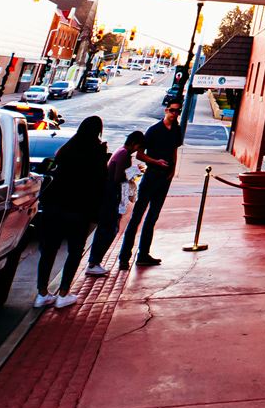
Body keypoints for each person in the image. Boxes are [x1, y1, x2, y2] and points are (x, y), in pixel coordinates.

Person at [35, 116, 108, 309]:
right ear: (98, 132)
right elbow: (100, 185)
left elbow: (52, 172)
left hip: (54, 207)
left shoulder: (65, 150)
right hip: (79, 209)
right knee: (75, 251)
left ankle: (42, 293)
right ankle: (64, 293)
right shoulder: (97, 152)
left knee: (48, 251)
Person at [118, 98, 183, 269]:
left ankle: (143, 254)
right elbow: (140, 155)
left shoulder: (177, 129)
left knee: (152, 218)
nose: (174, 114)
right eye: (172, 110)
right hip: (152, 176)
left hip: (165, 179)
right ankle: (124, 257)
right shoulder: (154, 130)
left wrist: (173, 170)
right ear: (166, 111)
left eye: (177, 111)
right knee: (137, 217)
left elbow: (175, 150)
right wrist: (156, 162)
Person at [86, 129, 146, 276]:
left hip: (110, 196)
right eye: (139, 146)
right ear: (135, 144)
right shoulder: (124, 154)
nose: (139, 150)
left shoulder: (120, 151)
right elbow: (119, 177)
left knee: (107, 229)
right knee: (109, 229)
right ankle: (94, 262)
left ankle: (94, 262)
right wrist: (135, 171)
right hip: (112, 197)